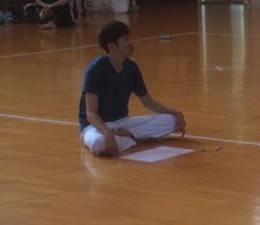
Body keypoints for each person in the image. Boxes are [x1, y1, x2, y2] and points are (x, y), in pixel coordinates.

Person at [79, 20, 185, 156]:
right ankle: (133, 138)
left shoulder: (131, 67)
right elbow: (91, 113)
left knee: (172, 120)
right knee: (100, 142)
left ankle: (127, 137)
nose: (131, 43)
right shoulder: (95, 70)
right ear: (112, 46)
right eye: (125, 40)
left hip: (123, 123)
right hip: (95, 126)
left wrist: (175, 112)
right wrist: (107, 133)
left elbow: (147, 102)